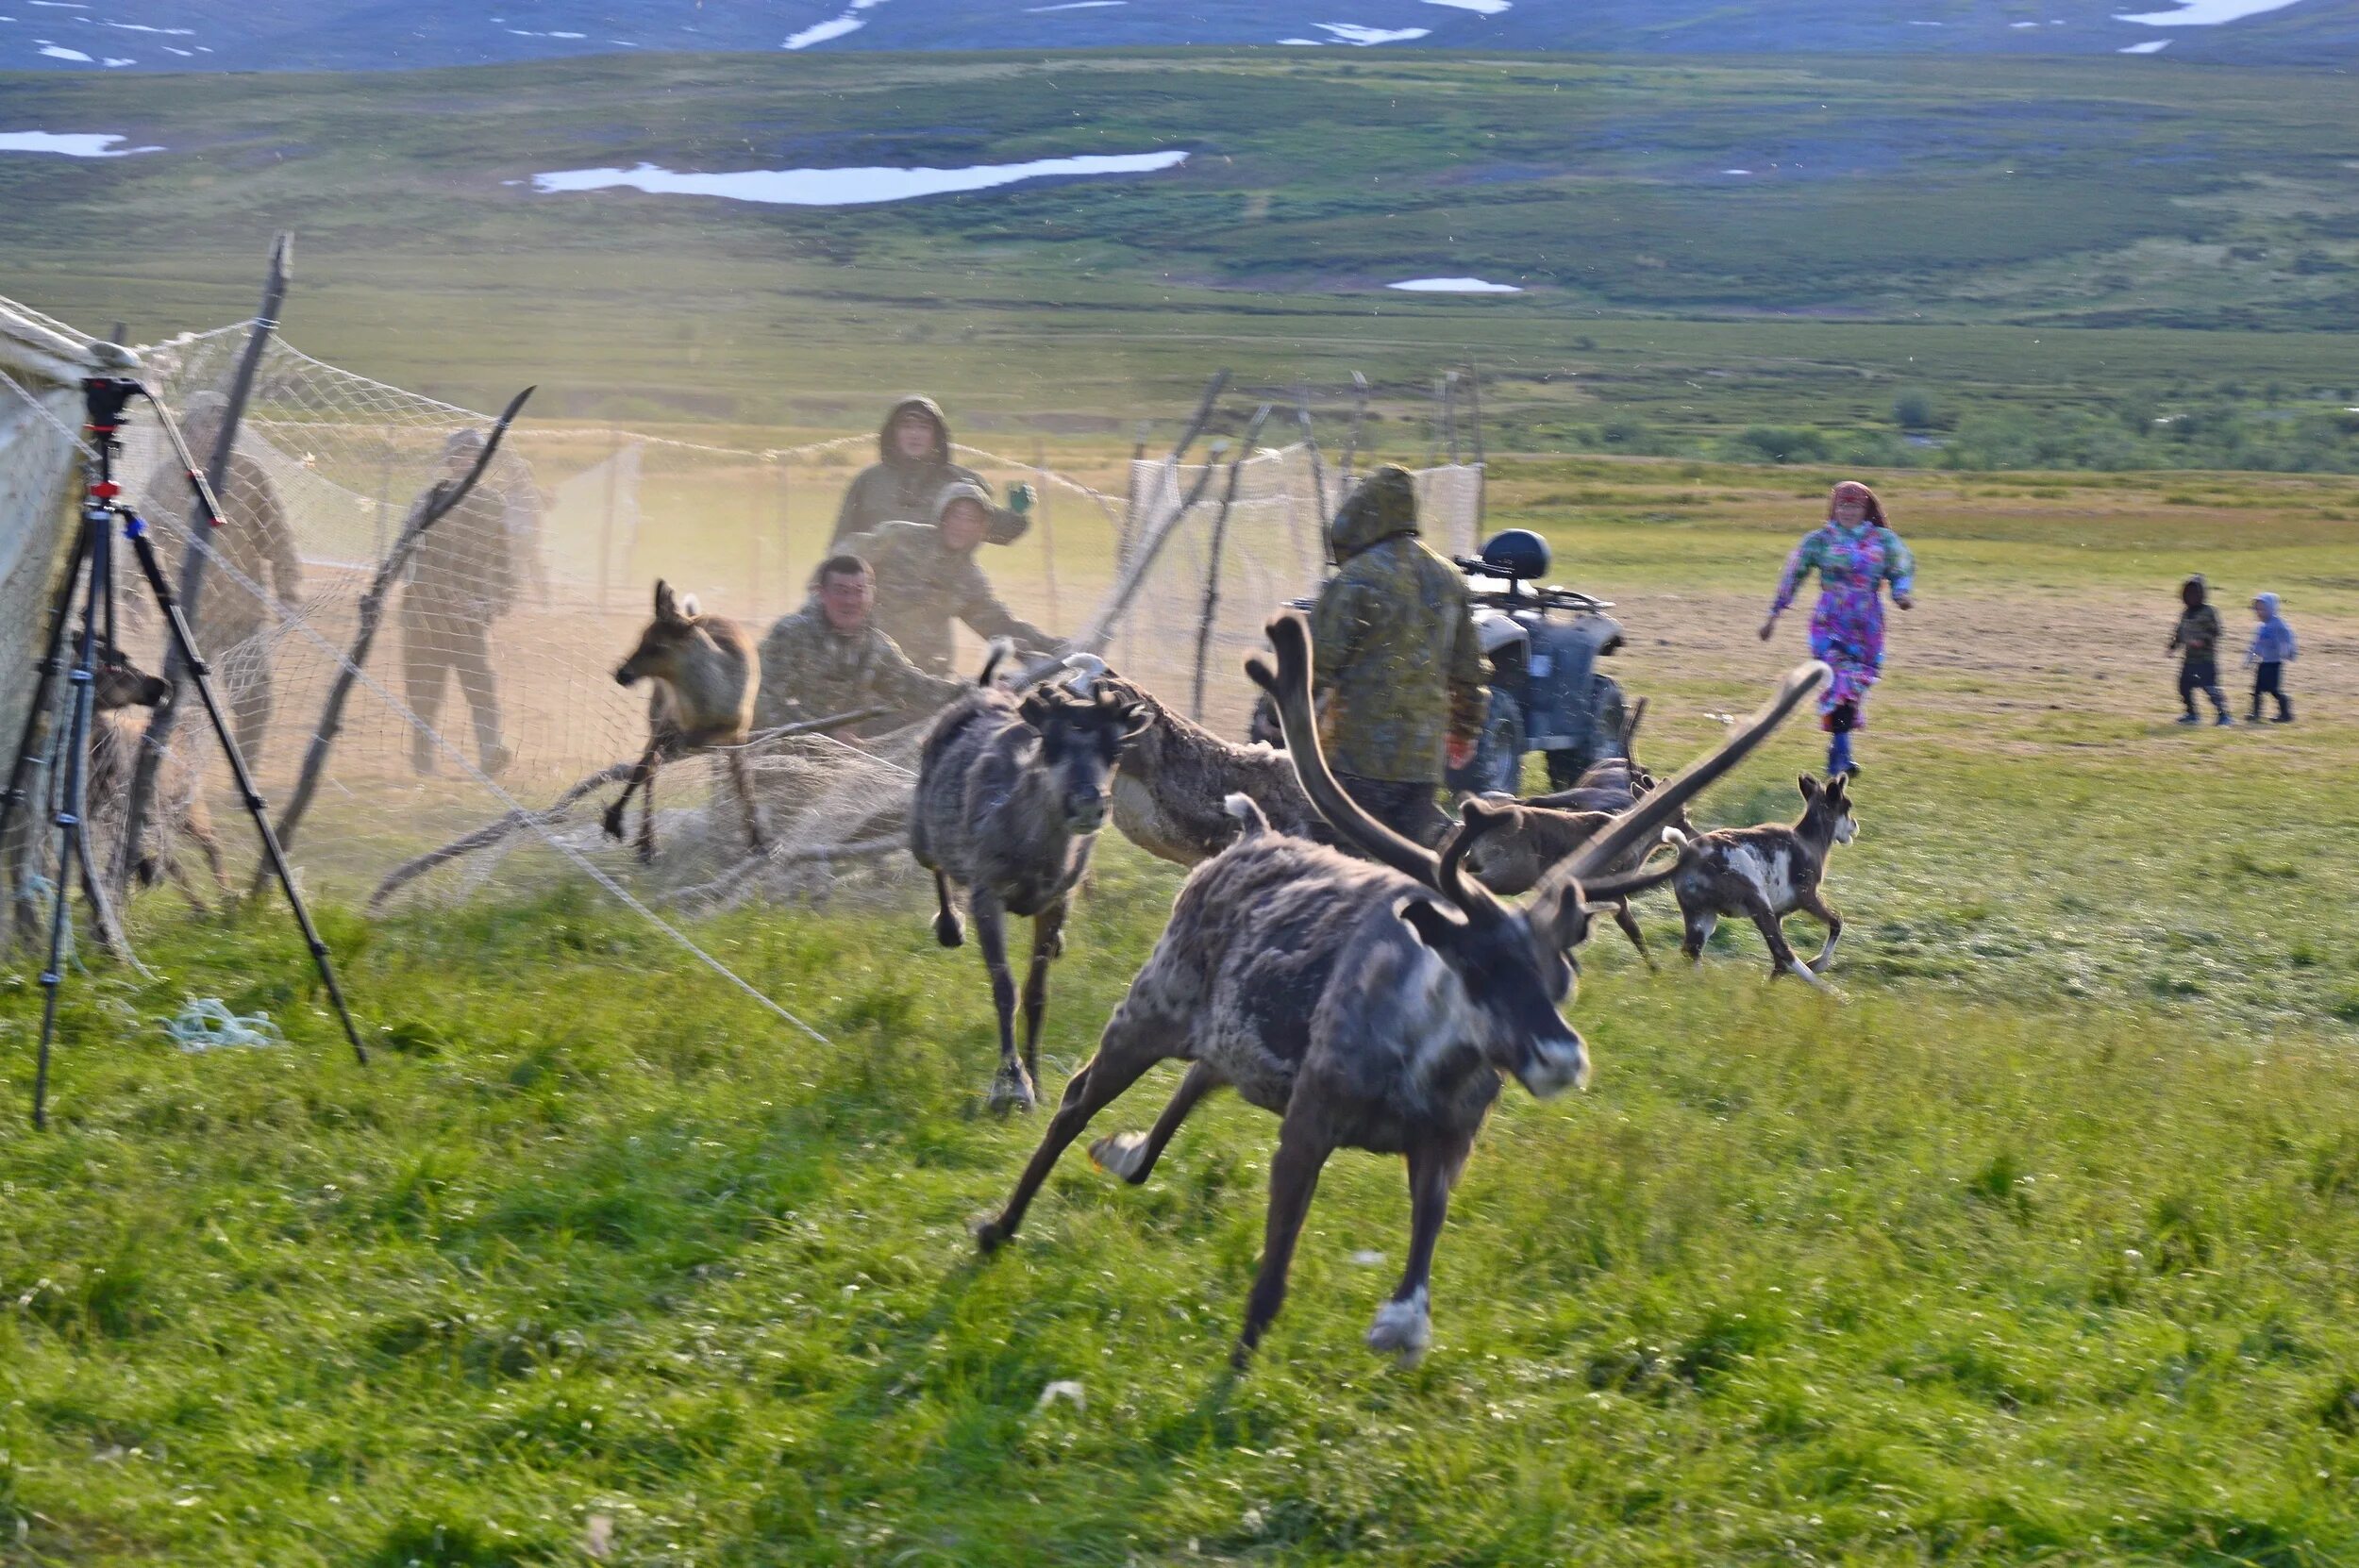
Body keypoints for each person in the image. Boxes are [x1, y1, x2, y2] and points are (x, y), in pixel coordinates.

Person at [1309, 463, 1487, 846]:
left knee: (1337, 865)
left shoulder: (1356, 578)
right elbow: (1468, 671)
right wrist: (1464, 730)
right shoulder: (1448, 579)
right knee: (1413, 865)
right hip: (1421, 763)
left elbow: (1316, 665)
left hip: (1355, 758)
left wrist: (1280, 723)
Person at [143, 391, 304, 765]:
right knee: (182, 704)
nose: (216, 432)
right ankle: (179, 779)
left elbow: (276, 536)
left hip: (241, 614)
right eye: (206, 423)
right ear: (186, 429)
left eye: (222, 424)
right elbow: (143, 536)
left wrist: (288, 591)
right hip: (188, 615)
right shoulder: (166, 479)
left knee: (254, 700)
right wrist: (130, 588)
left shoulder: (248, 474)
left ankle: (244, 774)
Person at [1759, 479, 1916, 776]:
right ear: (1835, 507)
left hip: (1867, 625)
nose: (1848, 510)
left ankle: (1839, 751)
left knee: (1854, 686)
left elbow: (1901, 567)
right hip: (1829, 622)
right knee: (1837, 680)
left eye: (1854, 505)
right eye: (1843, 504)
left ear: (1866, 507)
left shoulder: (1883, 540)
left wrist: (1901, 593)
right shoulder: (1821, 540)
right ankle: (1841, 756)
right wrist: (1774, 614)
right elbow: (1794, 573)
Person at [838, 482, 1061, 677]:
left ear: (982, 528)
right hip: (863, 660)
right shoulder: (898, 537)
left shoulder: (969, 580)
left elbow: (1001, 626)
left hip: (924, 676)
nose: (961, 526)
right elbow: (842, 561)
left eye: (972, 519)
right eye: (956, 515)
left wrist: (1053, 648)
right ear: (941, 516)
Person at [400, 430, 519, 776]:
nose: (466, 462)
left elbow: (503, 561)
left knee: (481, 687)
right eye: (460, 455)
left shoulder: (491, 503)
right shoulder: (428, 500)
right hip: (424, 615)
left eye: (473, 456)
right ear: (450, 461)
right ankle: (422, 763)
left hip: (469, 616)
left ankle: (490, 751)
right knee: (424, 693)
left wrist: (490, 604)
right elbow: (403, 549)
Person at [754, 554, 964, 736]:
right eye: (841, 591)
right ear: (821, 593)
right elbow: (763, 702)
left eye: (859, 591)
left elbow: (918, 688)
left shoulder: (876, 646)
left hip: (839, 755)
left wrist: (978, 690)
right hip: (774, 752)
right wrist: (823, 735)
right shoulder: (790, 635)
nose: (851, 601)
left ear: (871, 595)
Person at [829, 395, 1033, 548]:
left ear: (937, 435)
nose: (914, 434)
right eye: (906, 426)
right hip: (879, 591)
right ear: (893, 433)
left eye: (924, 427)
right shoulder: (868, 482)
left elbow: (998, 533)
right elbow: (842, 542)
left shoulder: (960, 483)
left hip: (944, 593)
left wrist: (1016, 513)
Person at [2167, 574, 2233, 727]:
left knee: (2210, 689)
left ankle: (2224, 716)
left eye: (2194, 593)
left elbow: (2216, 632)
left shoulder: (2209, 612)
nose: (2190, 597)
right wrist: (2173, 647)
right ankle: (2192, 714)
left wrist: (2201, 641)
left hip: (2206, 660)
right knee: (2183, 686)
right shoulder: (2185, 613)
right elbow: (2179, 632)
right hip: (2189, 660)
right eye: (2187, 594)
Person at [2244, 591, 2298, 724]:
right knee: (2257, 689)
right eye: (2257, 609)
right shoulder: (2262, 627)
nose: (2259, 612)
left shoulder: (2278, 625)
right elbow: (2255, 645)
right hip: (2263, 663)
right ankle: (2255, 713)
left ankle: (2286, 713)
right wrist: (2249, 658)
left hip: (2274, 664)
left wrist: (2287, 653)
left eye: (2262, 609)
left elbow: (2287, 640)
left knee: (2274, 690)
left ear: (2271, 608)